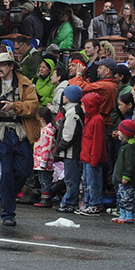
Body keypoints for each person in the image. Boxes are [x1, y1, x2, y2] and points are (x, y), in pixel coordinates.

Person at [0, 51, 40, 226]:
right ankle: (8, 213)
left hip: (21, 130)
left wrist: (13, 105)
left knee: (25, 169)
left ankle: (4, 198)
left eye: (3, 64)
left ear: (11, 66)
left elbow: (33, 107)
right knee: (6, 172)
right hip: (0, 132)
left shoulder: (26, 84)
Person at [76, 90, 106, 216]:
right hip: (86, 156)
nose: (82, 107)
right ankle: (88, 203)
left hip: (92, 157)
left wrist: (94, 159)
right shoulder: (90, 118)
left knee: (93, 182)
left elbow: (97, 142)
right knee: (87, 181)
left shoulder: (97, 120)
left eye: (84, 104)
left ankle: (95, 204)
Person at [55, 85, 84, 213]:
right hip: (72, 150)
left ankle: (69, 202)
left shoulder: (72, 113)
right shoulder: (73, 111)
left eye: (65, 95)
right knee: (71, 177)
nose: (63, 97)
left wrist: (59, 146)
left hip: (71, 151)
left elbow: (68, 135)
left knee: (71, 178)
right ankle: (70, 201)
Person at [112, 119, 135, 223]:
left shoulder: (129, 148)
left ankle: (129, 215)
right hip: (122, 178)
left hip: (127, 179)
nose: (118, 132)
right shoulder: (125, 145)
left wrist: (126, 176)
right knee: (121, 196)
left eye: (120, 130)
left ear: (125, 133)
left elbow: (131, 164)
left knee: (127, 197)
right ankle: (122, 214)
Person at [32, 107, 57, 208]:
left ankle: (46, 198)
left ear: (41, 119)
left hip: (44, 160)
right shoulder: (44, 130)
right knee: (42, 179)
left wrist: (43, 160)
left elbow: (46, 146)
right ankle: (44, 196)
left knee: (45, 180)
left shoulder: (47, 131)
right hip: (40, 159)